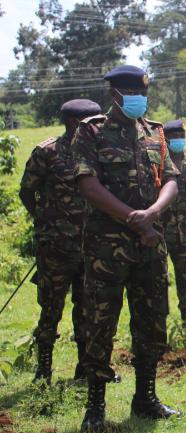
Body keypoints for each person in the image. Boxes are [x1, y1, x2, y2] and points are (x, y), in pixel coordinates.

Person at [72, 65, 181, 433]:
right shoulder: (92, 131)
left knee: (152, 321)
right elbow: (88, 185)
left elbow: (171, 180)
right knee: (100, 322)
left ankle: (145, 398)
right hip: (106, 247)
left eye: (142, 92)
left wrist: (151, 214)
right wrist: (134, 218)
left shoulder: (155, 132)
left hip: (150, 245)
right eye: (132, 91)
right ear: (115, 94)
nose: (139, 98)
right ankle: (95, 407)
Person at [19, 99, 102, 385]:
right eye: (94, 121)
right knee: (51, 308)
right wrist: (46, 221)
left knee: (87, 309)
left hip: (90, 246)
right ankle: (44, 369)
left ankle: (84, 367)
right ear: (75, 122)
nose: (99, 126)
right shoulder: (47, 152)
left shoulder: (98, 151)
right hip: (55, 248)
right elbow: (26, 192)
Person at [160, 120, 186, 335]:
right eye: (174, 136)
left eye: (181, 135)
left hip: (185, 232)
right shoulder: (157, 163)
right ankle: (160, 323)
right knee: (159, 278)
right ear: (165, 138)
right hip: (159, 231)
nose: (178, 139)